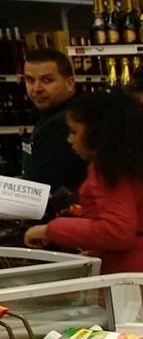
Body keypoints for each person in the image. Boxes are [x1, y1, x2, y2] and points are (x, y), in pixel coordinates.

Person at [24, 90, 143, 274]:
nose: (70, 139)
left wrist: (50, 230)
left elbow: (116, 231)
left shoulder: (110, 169)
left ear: (97, 132)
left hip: (135, 278)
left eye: (74, 131)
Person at [19, 48, 86, 216]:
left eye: (47, 80)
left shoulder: (65, 122)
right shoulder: (51, 115)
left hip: (63, 219)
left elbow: (42, 189)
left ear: (69, 83)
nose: (36, 88)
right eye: (30, 80)